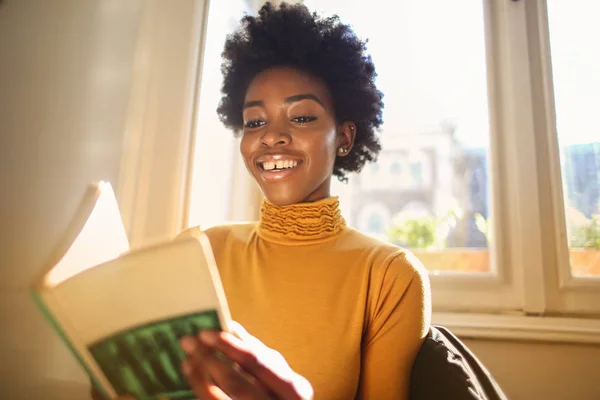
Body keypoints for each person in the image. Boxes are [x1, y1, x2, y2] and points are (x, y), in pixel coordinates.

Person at [92, 2, 431, 399]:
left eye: (301, 117)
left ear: (344, 137)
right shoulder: (198, 249)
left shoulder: (389, 275)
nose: (271, 136)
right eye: (255, 122)